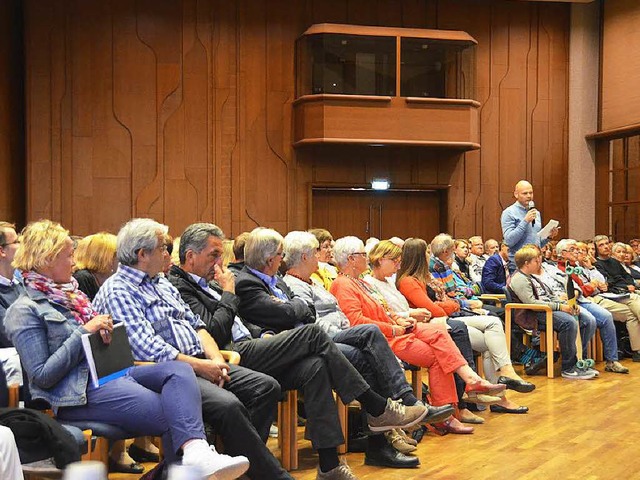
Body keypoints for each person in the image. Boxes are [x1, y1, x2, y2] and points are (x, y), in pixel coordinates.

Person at [5, 219, 249, 479]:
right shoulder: (23, 310)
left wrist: (107, 333)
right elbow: (43, 376)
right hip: (78, 393)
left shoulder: (73, 295)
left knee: (178, 372)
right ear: (45, 259)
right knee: (177, 413)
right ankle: (193, 462)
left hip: (114, 373)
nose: (75, 263)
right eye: (68, 256)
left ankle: (196, 456)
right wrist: (84, 333)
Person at [92, 219, 285, 480]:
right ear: (142, 254)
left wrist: (216, 360)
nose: (168, 254)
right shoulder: (118, 290)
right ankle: (273, 477)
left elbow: (197, 325)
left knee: (266, 387)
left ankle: (228, 469)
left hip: (200, 363)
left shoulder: (161, 283)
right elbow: (147, 349)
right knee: (228, 407)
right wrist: (201, 366)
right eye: (163, 248)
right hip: (167, 374)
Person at [233, 228, 429, 478]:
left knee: (318, 366)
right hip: (265, 350)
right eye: (280, 256)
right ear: (270, 259)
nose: (283, 261)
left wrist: (291, 307)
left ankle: (329, 465)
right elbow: (289, 313)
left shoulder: (278, 280)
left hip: (292, 347)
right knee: (319, 336)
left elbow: (303, 309)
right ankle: (378, 408)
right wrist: (291, 308)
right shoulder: (246, 281)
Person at [280, 231, 452, 461]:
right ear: (303, 257)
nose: (322, 256)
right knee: (369, 337)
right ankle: (404, 406)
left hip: (339, 336)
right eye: (315, 253)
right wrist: (355, 331)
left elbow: (339, 314)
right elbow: (312, 323)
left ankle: (384, 437)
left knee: (368, 351)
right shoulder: (297, 285)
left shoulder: (314, 283)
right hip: (325, 340)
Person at [329, 236, 507, 434]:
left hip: (395, 330)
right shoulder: (343, 285)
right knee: (440, 354)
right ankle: (451, 409)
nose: (366, 258)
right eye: (363, 254)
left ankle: (459, 397)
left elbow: (384, 310)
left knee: (441, 335)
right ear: (351, 259)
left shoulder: (361, 282)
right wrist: (394, 327)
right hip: (384, 339)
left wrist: (398, 319)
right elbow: (356, 322)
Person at [393, 238, 533, 415]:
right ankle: (488, 387)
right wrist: (455, 304)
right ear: (418, 257)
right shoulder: (408, 281)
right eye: (427, 253)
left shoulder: (424, 278)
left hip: (447, 319)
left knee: (493, 333)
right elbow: (434, 309)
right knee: (492, 331)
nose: (430, 256)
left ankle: (500, 393)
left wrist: (452, 304)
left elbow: (447, 299)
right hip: (436, 324)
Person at [509, 244, 594, 380]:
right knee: (568, 323)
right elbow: (531, 304)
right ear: (526, 263)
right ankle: (568, 367)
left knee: (585, 319)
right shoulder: (519, 279)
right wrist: (560, 308)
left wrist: (568, 304)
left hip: (546, 309)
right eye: (535, 261)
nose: (539, 263)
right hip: (535, 315)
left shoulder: (531, 276)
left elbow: (549, 295)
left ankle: (579, 360)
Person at [555, 239, 628, 373]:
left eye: (576, 249)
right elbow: (578, 289)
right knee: (590, 320)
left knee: (606, 316)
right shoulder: (559, 269)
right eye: (572, 249)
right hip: (574, 301)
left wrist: (591, 279)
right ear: (562, 253)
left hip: (585, 298)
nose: (577, 251)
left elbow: (597, 281)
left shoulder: (578, 266)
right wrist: (589, 287)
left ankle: (612, 361)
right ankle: (578, 358)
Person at [501, 180, 559, 263]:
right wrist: (525, 221)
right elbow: (509, 241)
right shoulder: (509, 212)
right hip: (519, 264)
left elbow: (536, 243)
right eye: (525, 193)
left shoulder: (536, 213)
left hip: (536, 261)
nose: (529, 196)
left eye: (531, 193)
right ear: (516, 194)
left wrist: (548, 237)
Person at [0, 222, 23, 388]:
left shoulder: (20, 283)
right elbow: (8, 332)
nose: (21, 246)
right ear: (2, 251)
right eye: (16, 242)